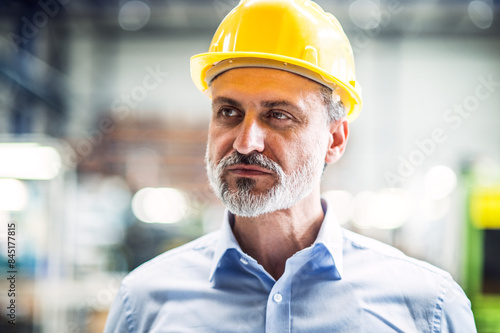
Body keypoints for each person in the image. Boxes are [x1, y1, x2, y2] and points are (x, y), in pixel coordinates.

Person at [104, 0, 477, 331]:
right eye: (229, 112)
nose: (245, 142)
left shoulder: (428, 308)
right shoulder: (144, 304)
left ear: (335, 139)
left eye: (279, 115)